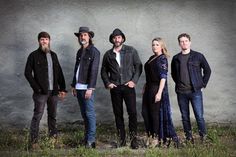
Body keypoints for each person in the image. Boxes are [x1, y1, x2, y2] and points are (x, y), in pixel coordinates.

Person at [101, 28, 142, 149]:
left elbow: (138, 66)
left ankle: (134, 140)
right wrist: (108, 83)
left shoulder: (131, 50)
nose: (117, 39)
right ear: (112, 39)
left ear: (122, 38)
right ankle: (122, 140)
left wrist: (134, 81)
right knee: (118, 114)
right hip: (115, 88)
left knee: (132, 113)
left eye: (119, 37)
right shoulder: (108, 54)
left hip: (128, 86)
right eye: (115, 37)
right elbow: (103, 71)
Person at [24, 31, 67, 149]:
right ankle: (34, 142)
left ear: (49, 41)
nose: (44, 41)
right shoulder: (33, 55)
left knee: (52, 116)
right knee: (37, 116)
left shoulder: (53, 55)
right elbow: (27, 73)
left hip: (53, 92)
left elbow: (59, 73)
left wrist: (62, 89)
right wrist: (37, 88)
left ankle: (53, 139)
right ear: (39, 41)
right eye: (42, 39)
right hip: (40, 93)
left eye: (46, 39)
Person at [171, 33, 211, 143]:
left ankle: (204, 138)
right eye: (181, 41)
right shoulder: (176, 58)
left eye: (186, 41)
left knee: (199, 116)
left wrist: (202, 84)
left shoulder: (198, 56)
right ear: (179, 43)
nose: (184, 43)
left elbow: (207, 70)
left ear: (190, 42)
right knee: (185, 117)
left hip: (195, 92)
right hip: (181, 92)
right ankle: (189, 139)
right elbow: (174, 74)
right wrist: (180, 84)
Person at [142, 37, 179, 148]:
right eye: (153, 44)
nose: (154, 46)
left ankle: (156, 138)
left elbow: (163, 77)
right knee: (145, 113)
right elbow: (149, 74)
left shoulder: (163, 59)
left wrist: (159, 93)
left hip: (156, 88)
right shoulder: (151, 58)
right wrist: (145, 86)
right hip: (148, 88)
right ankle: (150, 135)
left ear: (162, 46)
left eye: (157, 44)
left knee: (154, 114)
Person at [71, 27, 100, 149]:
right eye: (81, 35)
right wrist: (73, 85)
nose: (82, 37)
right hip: (78, 87)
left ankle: (91, 141)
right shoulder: (79, 52)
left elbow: (94, 70)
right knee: (84, 114)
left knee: (90, 114)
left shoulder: (94, 51)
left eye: (85, 35)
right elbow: (76, 69)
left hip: (87, 88)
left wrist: (91, 87)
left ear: (89, 37)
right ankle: (87, 138)